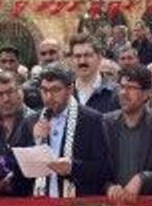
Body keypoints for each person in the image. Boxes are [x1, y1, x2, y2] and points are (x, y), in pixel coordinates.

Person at [32, 65, 111, 197]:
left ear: (70, 90)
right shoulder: (32, 121)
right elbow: (21, 170)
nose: (49, 96)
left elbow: (104, 169)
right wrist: (35, 141)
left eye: (55, 90)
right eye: (44, 90)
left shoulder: (91, 120)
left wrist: (73, 167)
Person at [102, 65, 152, 203]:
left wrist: (142, 178)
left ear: (147, 93)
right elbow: (97, 169)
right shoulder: (105, 123)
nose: (123, 92)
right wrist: (108, 187)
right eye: (121, 87)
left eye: (131, 88)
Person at [0, 71, 37, 197]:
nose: (6, 99)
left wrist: (6, 184)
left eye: (10, 92)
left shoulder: (37, 122)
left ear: (20, 92)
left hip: (28, 198)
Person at [69, 34, 119, 114]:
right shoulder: (66, 93)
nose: (82, 61)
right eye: (77, 56)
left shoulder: (115, 93)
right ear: (71, 60)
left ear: (99, 58)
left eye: (88, 55)